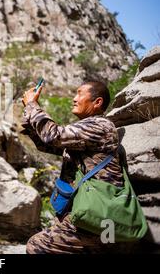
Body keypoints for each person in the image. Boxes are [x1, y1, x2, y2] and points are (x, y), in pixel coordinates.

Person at [21, 81, 125, 254]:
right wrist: (28, 110)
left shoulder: (100, 126)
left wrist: (33, 105)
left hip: (97, 214)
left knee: (36, 246)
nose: (74, 99)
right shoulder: (86, 129)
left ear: (97, 102)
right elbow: (45, 144)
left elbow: (52, 136)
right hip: (85, 212)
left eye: (79, 93)